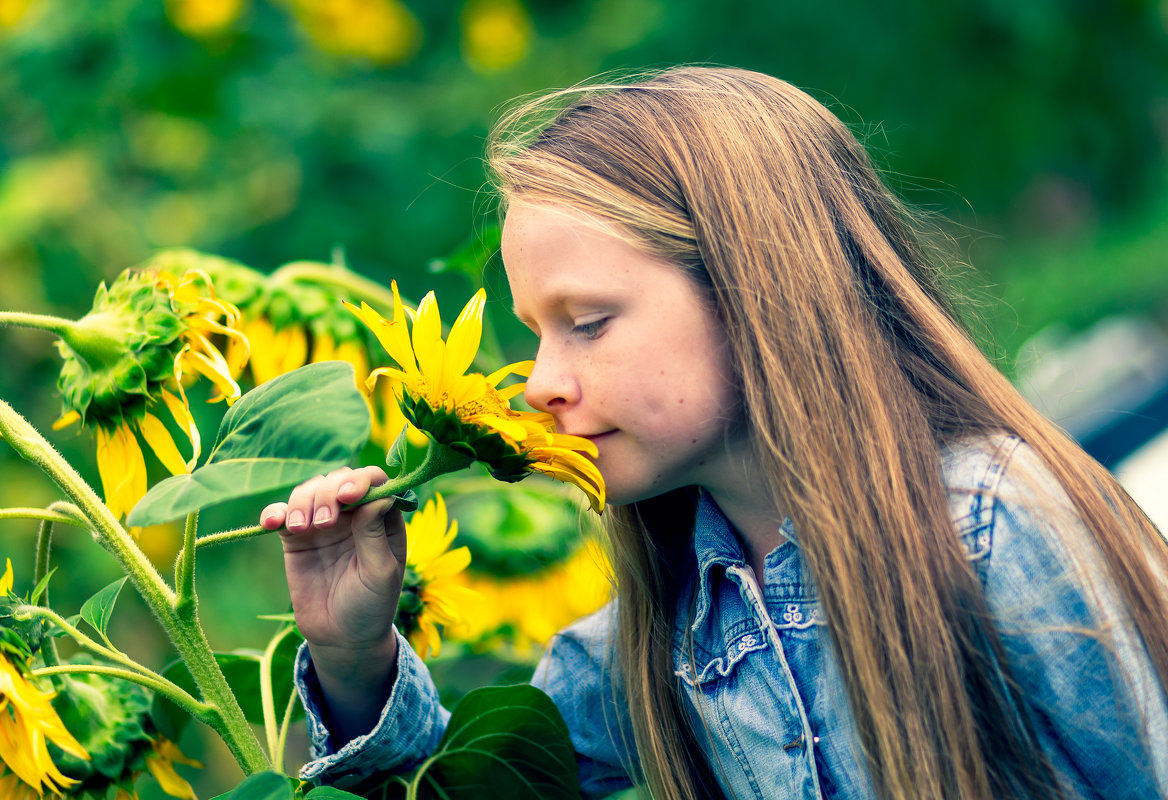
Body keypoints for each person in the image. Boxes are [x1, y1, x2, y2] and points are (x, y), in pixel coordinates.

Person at [259, 66, 1168, 800]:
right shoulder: (664, 626)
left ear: (753, 291)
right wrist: (353, 657)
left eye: (589, 320)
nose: (539, 385)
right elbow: (457, 790)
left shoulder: (990, 529)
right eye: (537, 331)